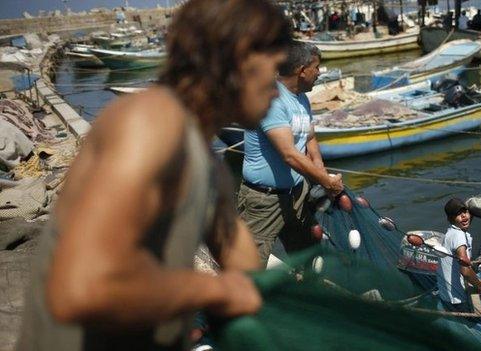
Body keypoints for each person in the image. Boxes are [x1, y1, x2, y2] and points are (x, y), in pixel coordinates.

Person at [17, 1, 291, 350]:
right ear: (240, 57)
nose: (278, 88)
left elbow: (243, 267)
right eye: (276, 68)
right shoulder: (149, 124)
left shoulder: (208, 164)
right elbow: (82, 287)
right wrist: (215, 289)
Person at [238, 41, 344, 268]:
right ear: (301, 70)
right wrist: (325, 181)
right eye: (316, 67)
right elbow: (288, 153)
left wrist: (320, 170)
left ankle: (304, 291)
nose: (319, 72)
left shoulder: (301, 97)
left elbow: (310, 137)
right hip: (265, 200)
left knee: (308, 255)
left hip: (296, 194)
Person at [436, 198, 481, 313]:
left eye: (465, 212)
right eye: (458, 214)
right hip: (457, 301)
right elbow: (465, 271)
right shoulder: (458, 236)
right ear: (450, 219)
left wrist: (478, 283)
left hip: (448, 294)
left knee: (478, 283)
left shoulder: (451, 233)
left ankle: (479, 307)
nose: (464, 216)